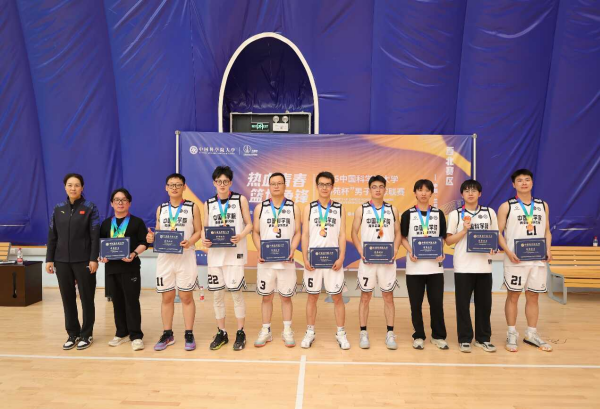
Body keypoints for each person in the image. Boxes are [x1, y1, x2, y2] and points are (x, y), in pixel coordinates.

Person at [497, 169, 553, 352]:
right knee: (513, 295)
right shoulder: (507, 206)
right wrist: (508, 252)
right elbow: (498, 233)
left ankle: (531, 333)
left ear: (532, 183)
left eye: (527, 180)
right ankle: (511, 333)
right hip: (516, 259)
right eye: (519, 180)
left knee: (534, 296)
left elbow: (547, 231)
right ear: (513, 184)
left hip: (537, 259)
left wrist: (548, 249)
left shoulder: (542, 205)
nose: (524, 183)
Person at [146, 173, 202, 351]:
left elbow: (199, 231)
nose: (174, 188)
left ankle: (189, 333)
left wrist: (190, 242)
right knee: (167, 297)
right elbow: (158, 232)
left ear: (184, 187)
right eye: (171, 185)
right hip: (165, 258)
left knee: (186, 297)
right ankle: (167, 333)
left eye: (178, 185)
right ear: (166, 188)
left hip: (185, 257)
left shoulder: (192, 207)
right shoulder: (161, 208)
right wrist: (152, 237)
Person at [46, 173, 100, 350]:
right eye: (70, 185)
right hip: (61, 261)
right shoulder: (58, 208)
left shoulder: (90, 207)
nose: (73, 188)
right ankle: (73, 333)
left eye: (77, 185)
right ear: (65, 187)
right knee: (67, 298)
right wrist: (49, 259)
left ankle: (86, 334)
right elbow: (52, 235)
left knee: (86, 298)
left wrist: (93, 258)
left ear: (82, 188)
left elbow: (95, 236)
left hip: (84, 260)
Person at [201, 166, 253, 351]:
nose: (222, 184)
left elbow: (249, 224)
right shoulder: (209, 203)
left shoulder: (240, 200)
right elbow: (205, 228)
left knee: (236, 294)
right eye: (218, 181)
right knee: (217, 295)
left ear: (230, 182)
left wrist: (240, 236)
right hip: (215, 256)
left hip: (234, 256)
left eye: (225, 181)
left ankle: (240, 331)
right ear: (214, 183)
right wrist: (204, 239)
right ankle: (221, 331)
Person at [446, 180, 498, 353]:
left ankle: (483, 339)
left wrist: (493, 247)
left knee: (484, 305)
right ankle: (465, 338)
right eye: (467, 190)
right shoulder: (455, 214)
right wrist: (464, 230)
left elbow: (495, 237)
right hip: (463, 266)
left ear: (479, 194)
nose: (470, 193)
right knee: (462, 305)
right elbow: (448, 240)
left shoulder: (489, 212)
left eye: (474, 190)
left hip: (484, 266)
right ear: (462, 194)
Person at [351, 175, 401, 350]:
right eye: (374, 187)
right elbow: (353, 232)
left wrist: (395, 249)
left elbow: (398, 233)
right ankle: (363, 332)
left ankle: (390, 333)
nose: (378, 190)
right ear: (369, 189)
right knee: (365, 296)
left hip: (387, 261)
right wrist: (360, 250)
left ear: (385, 189)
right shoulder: (362, 209)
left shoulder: (392, 209)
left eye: (381, 187)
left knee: (388, 296)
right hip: (368, 261)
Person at [252, 173, 302, 348]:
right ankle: (266, 330)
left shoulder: (293, 207)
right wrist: (259, 250)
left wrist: (292, 249)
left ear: (285, 185)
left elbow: (298, 232)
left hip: (286, 261)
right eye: (273, 183)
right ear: (269, 186)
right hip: (266, 261)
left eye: (279, 183)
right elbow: (255, 232)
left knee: (286, 297)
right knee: (266, 297)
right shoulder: (260, 208)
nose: (276, 186)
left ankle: (287, 330)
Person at [301, 171, 349, 350]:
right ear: (317, 186)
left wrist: (342, 257)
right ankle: (310, 332)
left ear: (332, 187)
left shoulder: (339, 208)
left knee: (337, 297)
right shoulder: (309, 208)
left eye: (328, 184)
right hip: (313, 261)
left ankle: (341, 333)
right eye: (321, 184)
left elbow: (342, 234)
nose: (324, 187)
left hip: (333, 260)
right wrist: (304, 257)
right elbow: (305, 234)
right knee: (312, 296)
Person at [400, 179, 448, 350]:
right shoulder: (408, 214)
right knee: (416, 304)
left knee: (437, 304)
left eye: (427, 190)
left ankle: (438, 336)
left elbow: (442, 237)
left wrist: (440, 251)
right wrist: (410, 251)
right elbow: (402, 237)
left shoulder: (438, 214)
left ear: (431, 193)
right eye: (420, 190)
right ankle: (419, 335)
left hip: (435, 268)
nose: (423, 193)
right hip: (414, 268)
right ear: (415, 193)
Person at [99, 188, 148, 351]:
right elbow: (101, 243)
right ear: (112, 203)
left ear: (129, 203)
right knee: (117, 301)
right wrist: (102, 256)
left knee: (131, 301)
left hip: (130, 267)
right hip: (111, 268)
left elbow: (144, 243)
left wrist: (134, 254)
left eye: (124, 200)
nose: (120, 203)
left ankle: (136, 335)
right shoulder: (106, 224)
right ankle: (121, 332)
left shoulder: (137, 222)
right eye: (117, 200)